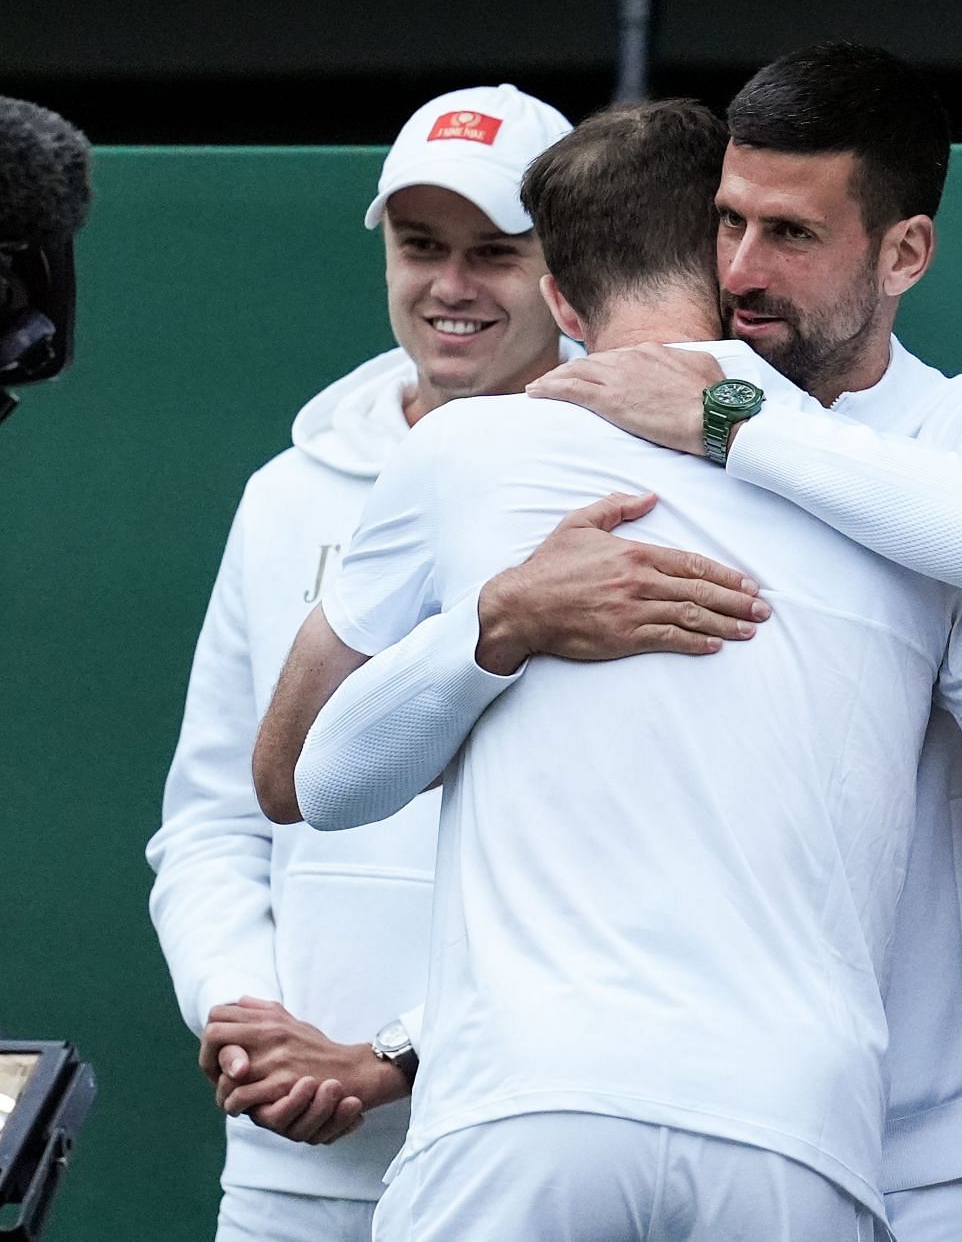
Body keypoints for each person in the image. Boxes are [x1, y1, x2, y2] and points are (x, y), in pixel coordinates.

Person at [272, 42, 962, 1242]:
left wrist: (729, 416)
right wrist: (508, 621)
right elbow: (299, 781)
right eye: (723, 225)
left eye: (788, 235)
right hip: (730, 1119)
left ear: (905, 251)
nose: (741, 269)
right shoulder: (528, 453)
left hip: (920, 1150)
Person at [145, 85, 757, 1242]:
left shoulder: (653, 487)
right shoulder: (284, 496)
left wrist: (397, 1053)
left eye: (495, 253)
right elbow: (219, 815)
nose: (451, 286)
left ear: (563, 274)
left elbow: (655, 851)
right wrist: (244, 1014)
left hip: (531, 1142)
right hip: (287, 1158)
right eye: (422, 246)